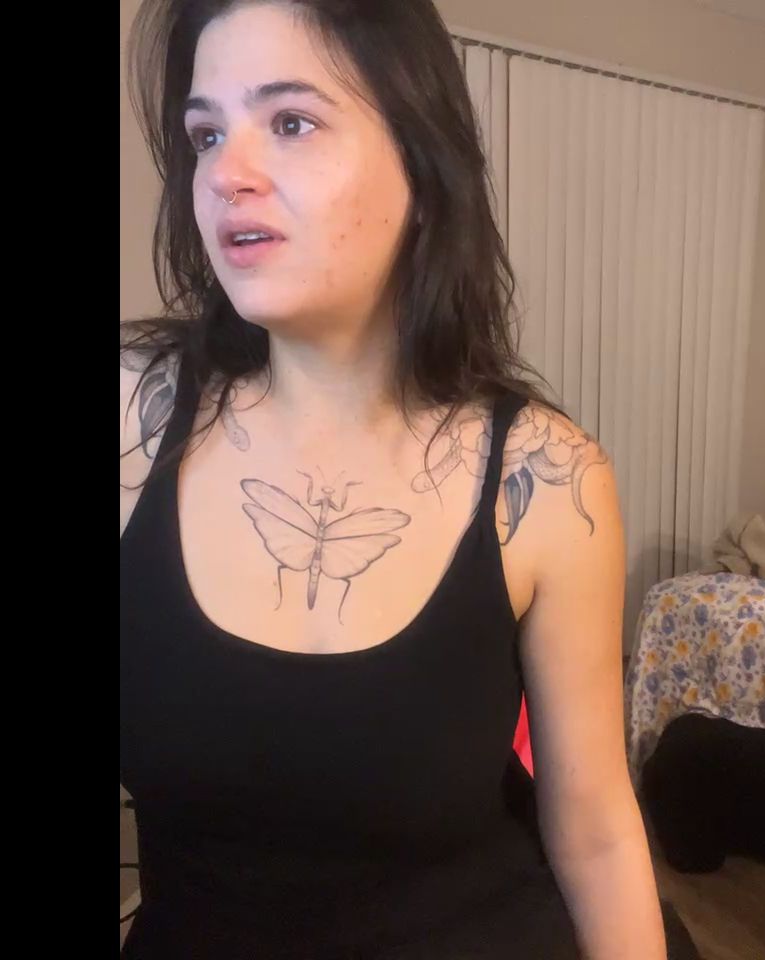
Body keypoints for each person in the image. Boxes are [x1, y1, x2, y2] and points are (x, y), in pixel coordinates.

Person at [120, 1, 667, 956]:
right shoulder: (133, 419)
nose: (225, 174)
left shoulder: (547, 479)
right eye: (205, 134)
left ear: (422, 164)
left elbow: (594, 830)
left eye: (291, 122)